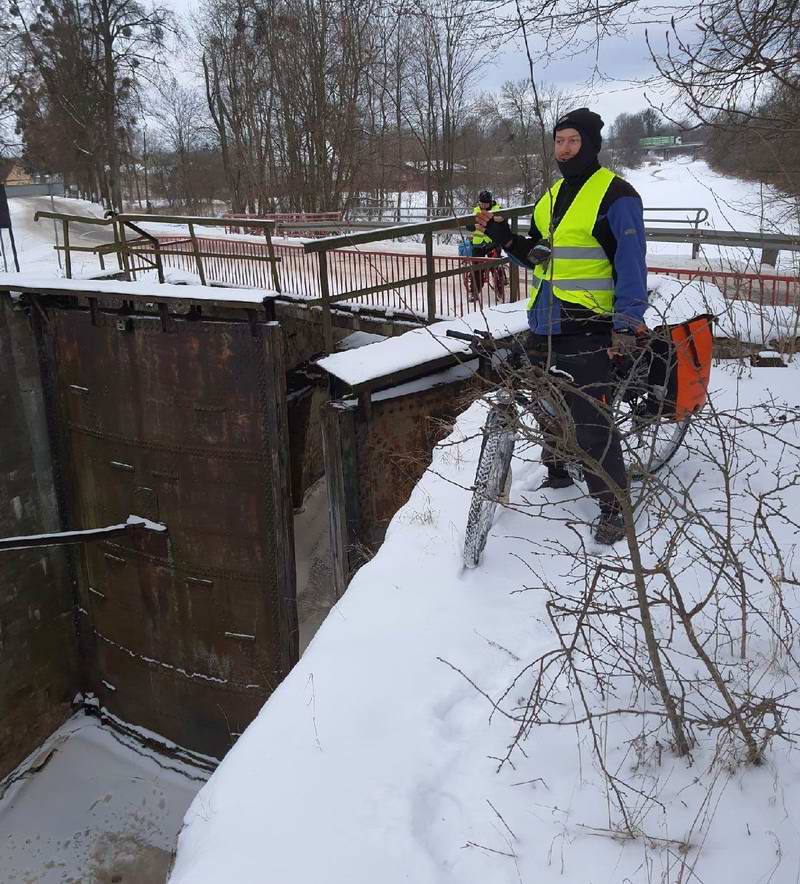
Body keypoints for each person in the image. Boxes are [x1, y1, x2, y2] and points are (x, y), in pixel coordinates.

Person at [475, 107, 648, 545]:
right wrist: (503, 237)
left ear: (590, 145)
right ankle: (559, 466)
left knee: (591, 419)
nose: (565, 150)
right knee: (545, 398)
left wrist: (626, 325)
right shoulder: (551, 196)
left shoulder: (617, 196)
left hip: (590, 323)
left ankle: (614, 507)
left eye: (573, 141)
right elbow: (541, 258)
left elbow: (631, 265)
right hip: (547, 319)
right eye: (559, 141)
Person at [466, 190, 502, 300]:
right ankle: (474, 292)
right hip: (478, 245)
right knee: (476, 270)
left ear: (490, 203)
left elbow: (500, 224)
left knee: (495, 267)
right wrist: (474, 226)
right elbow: (469, 226)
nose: (483, 206)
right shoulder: (475, 210)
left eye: (485, 204)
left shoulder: (497, 210)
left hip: (493, 243)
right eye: (481, 203)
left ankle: (500, 291)